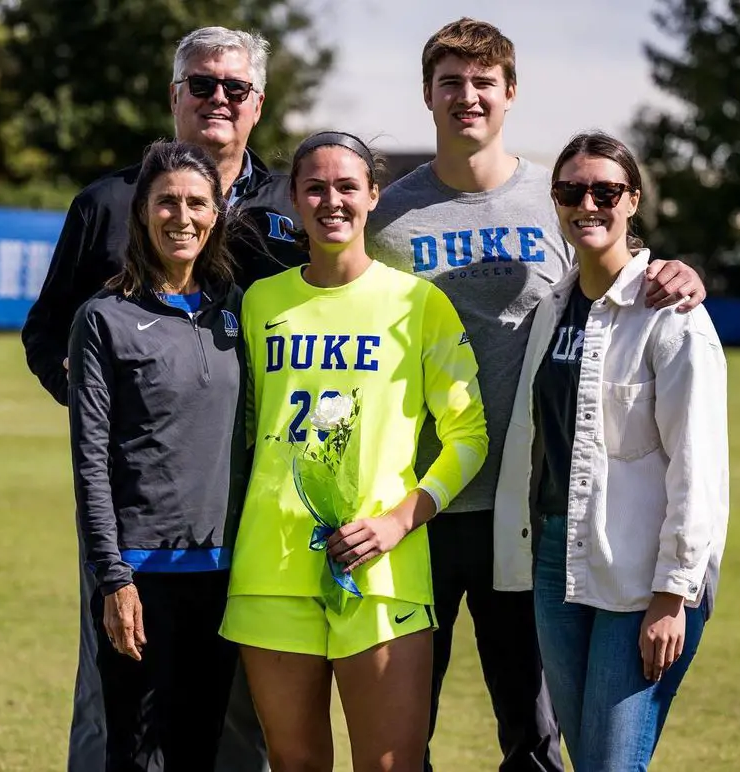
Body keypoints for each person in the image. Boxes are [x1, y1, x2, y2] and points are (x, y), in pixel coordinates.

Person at [365, 18, 708, 771]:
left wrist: (673, 271)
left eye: (484, 82)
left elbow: (611, 269)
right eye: (451, 82)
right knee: (399, 734)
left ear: (510, 93)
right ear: (427, 94)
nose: (467, 97)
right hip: (416, 504)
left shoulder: (551, 203)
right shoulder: (386, 214)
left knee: (533, 733)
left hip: (526, 511)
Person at [21, 26, 299, 772]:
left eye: (233, 88)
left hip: (247, 502)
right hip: (133, 503)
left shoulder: (290, 207)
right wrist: (116, 417)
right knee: (117, 697)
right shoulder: (107, 201)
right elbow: (49, 333)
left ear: (258, 103)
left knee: (239, 695)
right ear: (175, 95)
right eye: (200, 85)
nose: (217, 99)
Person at [221, 131, 488, 772]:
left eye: (347, 186)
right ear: (294, 199)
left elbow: (468, 436)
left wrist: (399, 520)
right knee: (293, 762)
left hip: (383, 571)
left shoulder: (418, 303)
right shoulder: (261, 303)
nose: (331, 200)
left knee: (389, 764)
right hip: (271, 570)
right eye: (315, 186)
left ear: (373, 195)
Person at [493, 131, 730, 770]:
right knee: (589, 755)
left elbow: (698, 464)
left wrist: (673, 594)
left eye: (606, 190)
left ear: (633, 201)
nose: (587, 203)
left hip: (643, 574)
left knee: (612, 764)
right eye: (572, 190)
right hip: (557, 562)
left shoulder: (670, 312)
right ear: (556, 201)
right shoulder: (551, 305)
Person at [68, 140, 249, 771]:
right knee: (136, 757)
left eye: (198, 202)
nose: (183, 216)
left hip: (226, 576)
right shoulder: (103, 318)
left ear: (217, 213)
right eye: (166, 201)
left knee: (199, 752)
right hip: (140, 574)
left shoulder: (237, 311)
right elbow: (90, 460)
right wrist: (113, 578)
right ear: (141, 212)